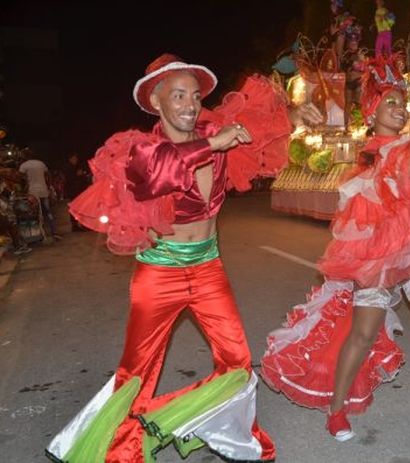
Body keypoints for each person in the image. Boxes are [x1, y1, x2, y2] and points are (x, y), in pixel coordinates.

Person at [46, 53, 322, 462]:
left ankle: (232, 439)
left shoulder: (217, 132)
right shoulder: (142, 148)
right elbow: (158, 172)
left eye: (194, 95)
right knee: (137, 372)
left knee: (238, 363)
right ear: (156, 103)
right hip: (160, 273)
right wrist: (213, 143)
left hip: (208, 268)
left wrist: (298, 115)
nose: (189, 104)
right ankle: (123, 448)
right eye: (178, 95)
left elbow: (260, 133)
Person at [261, 55, 410, 442]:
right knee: (361, 335)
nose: (400, 109)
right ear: (373, 112)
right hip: (377, 253)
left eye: (402, 103)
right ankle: (337, 410)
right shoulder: (377, 153)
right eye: (391, 103)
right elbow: (400, 171)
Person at [19, 150, 61, 240]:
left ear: (24, 157)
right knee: (48, 212)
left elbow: (20, 179)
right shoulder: (41, 164)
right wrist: (48, 186)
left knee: (34, 214)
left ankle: (39, 235)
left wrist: (24, 189)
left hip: (32, 193)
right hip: (43, 191)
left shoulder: (23, 166)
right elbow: (48, 175)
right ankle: (54, 233)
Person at [63, 152, 91, 231]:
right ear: (70, 159)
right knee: (75, 209)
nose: (76, 160)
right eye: (74, 158)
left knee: (82, 208)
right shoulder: (68, 168)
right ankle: (75, 226)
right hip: (73, 191)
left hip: (79, 191)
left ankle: (82, 224)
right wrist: (77, 175)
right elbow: (69, 179)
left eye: (76, 158)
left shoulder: (77, 166)